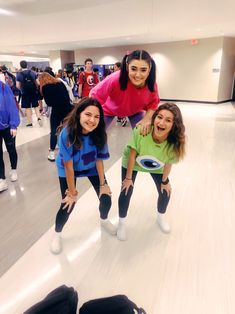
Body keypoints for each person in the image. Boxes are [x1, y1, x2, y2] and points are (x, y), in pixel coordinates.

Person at [50, 97, 116, 254]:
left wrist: (103, 184)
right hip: (69, 167)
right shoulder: (66, 134)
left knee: (106, 198)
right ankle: (57, 234)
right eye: (88, 115)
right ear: (79, 113)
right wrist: (72, 193)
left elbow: (99, 160)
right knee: (68, 204)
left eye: (97, 116)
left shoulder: (100, 133)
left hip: (91, 165)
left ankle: (104, 220)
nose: (92, 120)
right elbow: (69, 166)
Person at [116, 103, 186, 241]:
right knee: (126, 190)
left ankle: (160, 217)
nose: (161, 122)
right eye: (159, 117)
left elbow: (168, 163)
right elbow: (132, 155)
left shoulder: (174, 141)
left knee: (165, 191)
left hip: (156, 164)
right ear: (154, 118)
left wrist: (165, 181)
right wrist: (128, 179)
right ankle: (121, 223)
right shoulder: (142, 131)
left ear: (174, 125)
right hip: (133, 162)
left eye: (168, 120)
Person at [90, 50, 160, 135]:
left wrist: (147, 118)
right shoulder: (115, 79)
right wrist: (92, 117)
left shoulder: (151, 84)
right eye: (133, 69)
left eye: (143, 70)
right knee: (95, 135)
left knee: (143, 135)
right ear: (127, 67)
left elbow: (153, 104)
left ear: (149, 70)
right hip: (109, 110)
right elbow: (94, 95)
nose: (138, 75)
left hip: (136, 111)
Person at [38, 72, 73, 161]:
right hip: (68, 109)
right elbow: (67, 96)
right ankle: (71, 149)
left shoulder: (45, 87)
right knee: (69, 129)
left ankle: (52, 153)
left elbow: (49, 103)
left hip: (57, 110)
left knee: (54, 131)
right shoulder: (60, 83)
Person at [0, 81, 20, 192]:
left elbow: (12, 106)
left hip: (8, 126)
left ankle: (14, 169)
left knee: (11, 149)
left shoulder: (3, 87)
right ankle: (1, 179)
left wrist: (13, 125)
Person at [16, 60, 42, 127]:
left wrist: (21, 89)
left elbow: (17, 86)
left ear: (20, 66)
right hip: (33, 92)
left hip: (25, 93)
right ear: (27, 65)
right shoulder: (33, 73)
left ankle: (30, 122)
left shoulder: (19, 74)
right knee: (36, 106)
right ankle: (39, 118)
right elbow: (38, 83)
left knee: (27, 107)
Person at [113, 61, 128, 127]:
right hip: (117, 93)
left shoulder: (121, 74)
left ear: (119, 67)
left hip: (121, 93)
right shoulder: (116, 74)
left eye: (115, 67)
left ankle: (123, 118)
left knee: (121, 107)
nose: (114, 68)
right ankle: (119, 118)